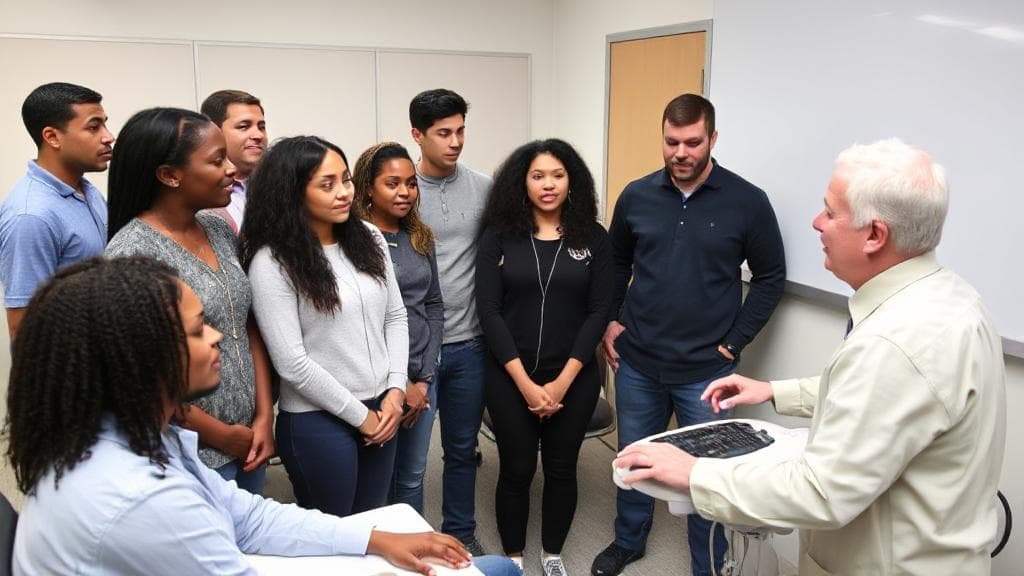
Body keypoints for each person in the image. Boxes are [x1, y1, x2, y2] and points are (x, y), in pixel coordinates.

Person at [615, 138, 1006, 576]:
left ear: (875, 234)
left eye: (831, 212)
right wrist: (773, 390)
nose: (817, 223)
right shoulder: (948, 298)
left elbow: (821, 492)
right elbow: (876, 399)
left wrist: (695, 474)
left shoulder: (896, 342)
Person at [5, 255, 482, 576]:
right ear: (139, 356)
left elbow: (245, 517)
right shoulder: (140, 498)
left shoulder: (139, 434)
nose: (217, 338)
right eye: (197, 331)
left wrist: (374, 539)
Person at [594, 93, 786, 576]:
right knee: (634, 459)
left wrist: (734, 342)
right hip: (638, 362)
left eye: (693, 142)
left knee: (709, 477)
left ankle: (708, 562)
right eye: (672, 141)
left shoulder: (748, 201)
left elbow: (770, 277)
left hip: (708, 372)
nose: (681, 152)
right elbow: (617, 262)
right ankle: (628, 541)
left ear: (713, 139)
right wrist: (611, 320)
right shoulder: (636, 195)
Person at [105, 107, 274, 495]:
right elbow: (141, 379)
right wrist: (222, 435)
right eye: (217, 160)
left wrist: (264, 415)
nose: (231, 169)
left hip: (249, 433)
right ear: (169, 175)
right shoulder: (133, 254)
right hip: (193, 448)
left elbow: (244, 323)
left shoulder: (216, 226)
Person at [240, 135, 408, 518]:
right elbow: (292, 363)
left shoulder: (369, 237)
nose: (343, 193)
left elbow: (396, 316)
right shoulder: (273, 262)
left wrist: (396, 389)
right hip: (319, 420)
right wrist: (361, 417)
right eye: (327, 185)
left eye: (345, 180)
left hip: (382, 406)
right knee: (334, 535)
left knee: (374, 523)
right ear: (293, 194)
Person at [476, 139, 613, 576]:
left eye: (557, 175)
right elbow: (489, 311)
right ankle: (514, 556)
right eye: (538, 176)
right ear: (523, 182)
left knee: (561, 468)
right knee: (516, 468)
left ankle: (552, 555)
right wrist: (525, 383)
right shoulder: (499, 236)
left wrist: (561, 382)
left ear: (572, 180)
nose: (548, 184)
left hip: (573, 375)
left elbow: (599, 312)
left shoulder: (593, 237)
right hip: (508, 374)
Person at [410, 88, 493, 555]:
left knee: (462, 452)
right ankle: (415, 538)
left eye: (460, 131)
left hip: (470, 345)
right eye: (444, 133)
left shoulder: (483, 187)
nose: (455, 141)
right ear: (417, 135)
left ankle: (461, 533)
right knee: (414, 459)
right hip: (418, 350)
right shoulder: (400, 188)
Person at [352, 142, 444, 515]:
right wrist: (400, 382)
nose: (404, 192)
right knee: (376, 479)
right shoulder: (353, 241)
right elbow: (361, 322)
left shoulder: (420, 237)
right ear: (369, 188)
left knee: (411, 475)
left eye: (410, 183)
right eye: (392, 183)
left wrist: (424, 379)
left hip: (422, 380)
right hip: (376, 383)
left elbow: (434, 305)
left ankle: (416, 555)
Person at [0, 82, 114, 338]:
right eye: (94, 127)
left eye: (105, 124)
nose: (108, 136)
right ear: (52, 137)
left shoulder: (88, 191)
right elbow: (25, 327)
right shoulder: (30, 215)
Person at [200, 89, 267, 233]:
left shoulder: (279, 185)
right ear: (214, 131)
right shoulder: (199, 192)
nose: (258, 135)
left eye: (261, 127)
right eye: (244, 126)